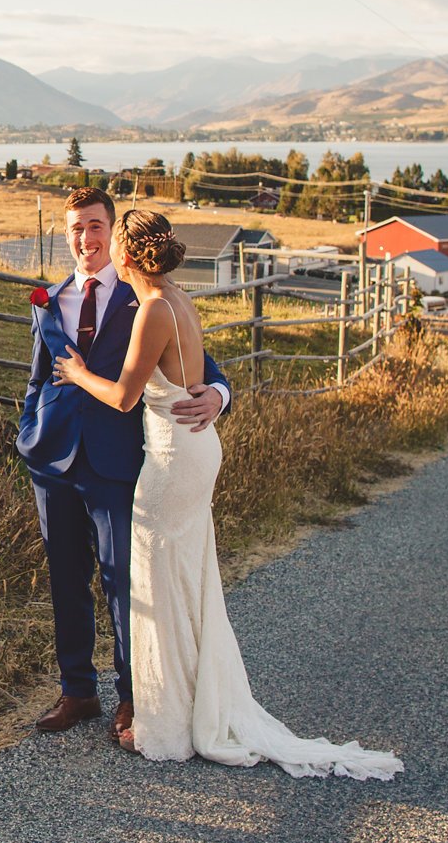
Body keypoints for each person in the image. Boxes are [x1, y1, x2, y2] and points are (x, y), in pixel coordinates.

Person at [51, 209, 403, 778]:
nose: (104, 249)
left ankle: (165, 725)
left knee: (160, 582)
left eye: (111, 238)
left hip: (172, 460)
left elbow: (122, 397)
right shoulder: (177, 297)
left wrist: (76, 372)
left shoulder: (152, 311)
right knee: (187, 580)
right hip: (193, 449)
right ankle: (191, 706)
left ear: (127, 253)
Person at [16, 187, 233, 742]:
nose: (84, 238)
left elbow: (200, 362)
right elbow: (39, 376)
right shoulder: (50, 301)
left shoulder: (146, 296)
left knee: (124, 583)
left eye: (94, 226)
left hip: (119, 462)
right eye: (74, 229)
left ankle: (135, 698)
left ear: (113, 234)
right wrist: (29, 432)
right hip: (53, 461)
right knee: (65, 578)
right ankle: (77, 691)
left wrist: (219, 393)